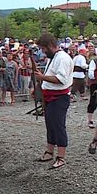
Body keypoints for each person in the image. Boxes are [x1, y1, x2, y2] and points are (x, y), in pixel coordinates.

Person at [34, 33, 74, 170]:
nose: (43, 52)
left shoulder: (62, 58)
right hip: (50, 96)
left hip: (59, 97)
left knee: (58, 126)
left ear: (50, 46)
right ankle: (49, 151)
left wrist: (42, 77)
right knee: (50, 125)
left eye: (43, 48)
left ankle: (61, 157)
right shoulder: (54, 57)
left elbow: (60, 79)